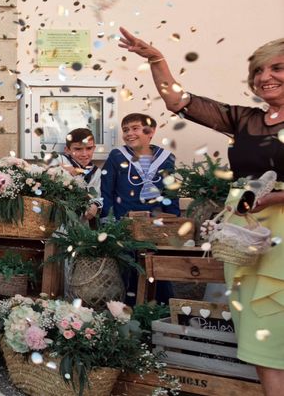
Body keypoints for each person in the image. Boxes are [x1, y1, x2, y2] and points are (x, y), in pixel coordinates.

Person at [120, 28, 284, 395]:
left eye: (277, 68)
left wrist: (272, 198)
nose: (265, 77)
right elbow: (181, 101)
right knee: (261, 334)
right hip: (246, 237)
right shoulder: (246, 120)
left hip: (279, 233)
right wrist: (156, 59)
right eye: (259, 70)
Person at [100, 113, 181, 220]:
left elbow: (170, 193)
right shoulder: (117, 156)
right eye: (125, 130)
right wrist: (107, 219)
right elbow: (106, 190)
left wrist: (174, 218)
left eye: (135, 128)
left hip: (155, 222)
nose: (129, 133)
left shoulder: (166, 158)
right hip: (123, 220)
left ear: (150, 131)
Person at [54, 127, 103, 221]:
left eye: (89, 148)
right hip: (56, 222)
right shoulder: (59, 160)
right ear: (67, 150)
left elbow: (97, 196)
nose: (84, 154)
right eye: (78, 149)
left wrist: (95, 205)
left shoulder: (96, 172)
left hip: (80, 225)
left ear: (94, 148)